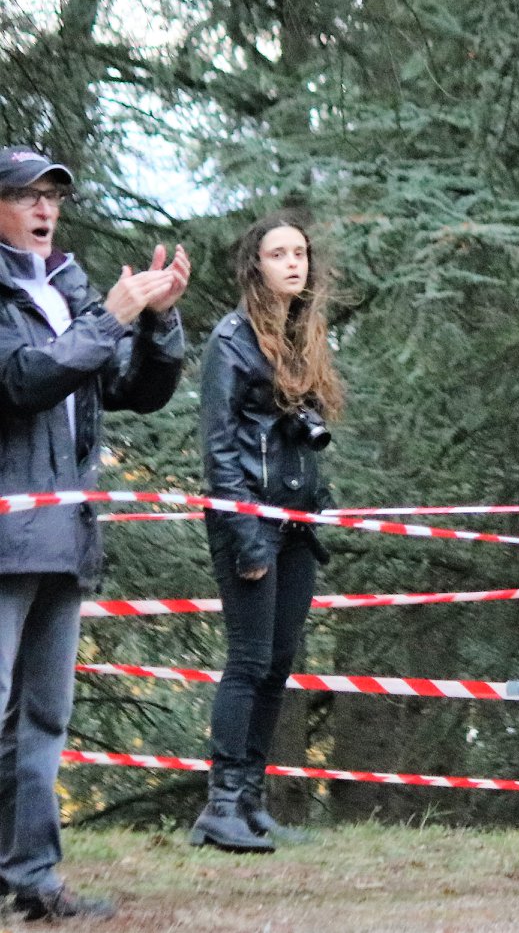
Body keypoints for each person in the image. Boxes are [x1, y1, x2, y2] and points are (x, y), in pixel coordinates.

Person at [0, 147, 189, 919]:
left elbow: (134, 389)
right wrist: (111, 315)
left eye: (54, 196)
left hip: (65, 534)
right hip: (6, 540)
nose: (45, 208)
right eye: (26, 195)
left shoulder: (69, 286)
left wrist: (160, 318)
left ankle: (34, 879)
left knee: (43, 719)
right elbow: (24, 380)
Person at [189, 212, 343, 854]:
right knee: (249, 661)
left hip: (295, 522)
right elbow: (221, 448)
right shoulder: (232, 338)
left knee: (280, 662)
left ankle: (250, 803)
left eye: (299, 252)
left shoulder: (302, 335)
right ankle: (220, 806)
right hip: (248, 520)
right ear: (256, 264)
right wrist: (245, 533)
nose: (292, 262)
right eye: (278, 253)